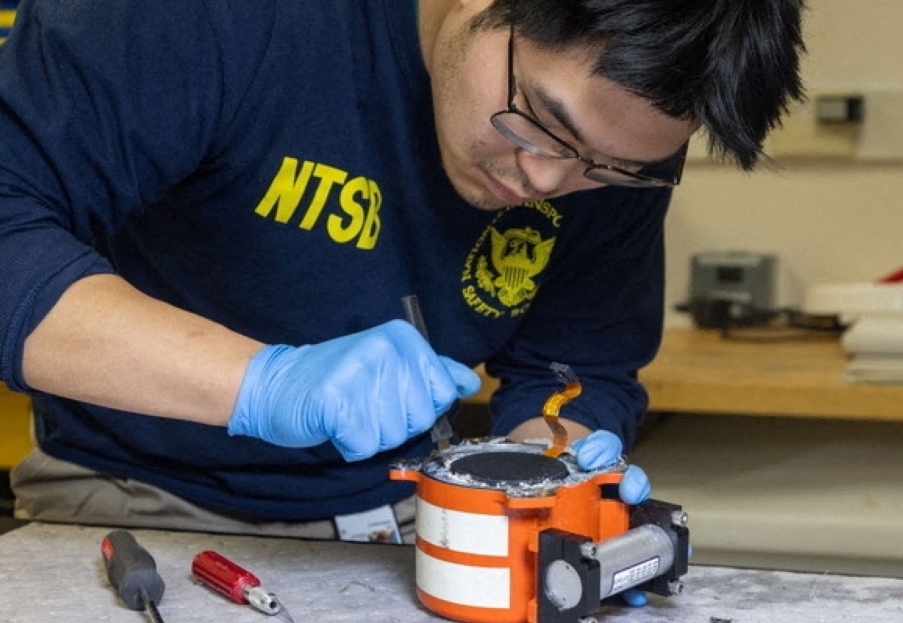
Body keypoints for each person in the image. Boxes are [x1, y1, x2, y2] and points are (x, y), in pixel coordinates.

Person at [0, 0, 806, 544]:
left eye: (611, 167)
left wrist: (549, 475)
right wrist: (260, 382)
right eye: (541, 125)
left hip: (412, 514)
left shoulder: (611, 152)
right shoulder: (211, 19)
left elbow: (576, 360)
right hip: (134, 502)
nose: (550, 181)